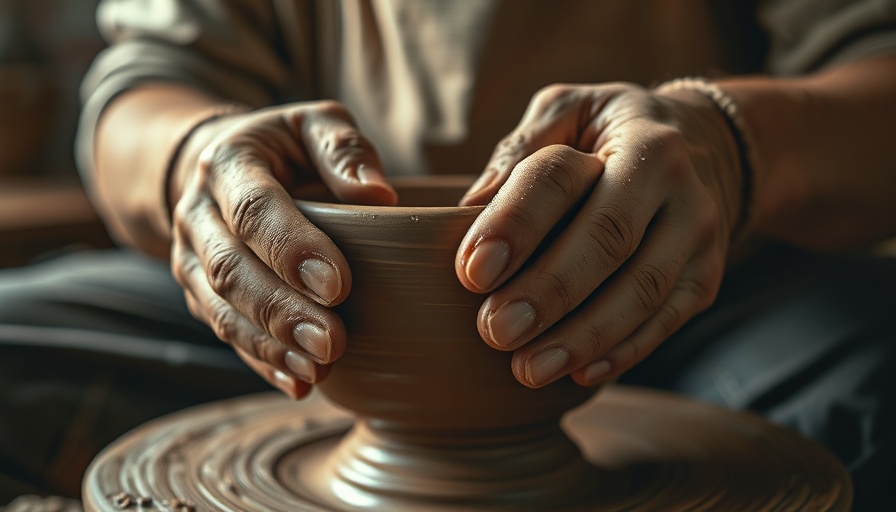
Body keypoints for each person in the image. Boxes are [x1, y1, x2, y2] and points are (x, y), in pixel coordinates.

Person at [2, 0, 895, 509]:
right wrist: (192, 164)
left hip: (692, 287)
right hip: (309, 309)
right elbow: (140, 89)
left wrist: (732, 145)